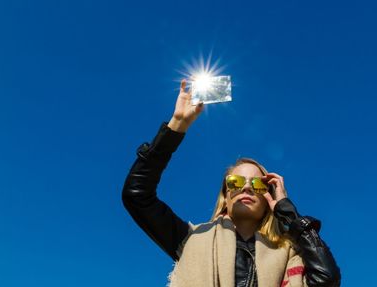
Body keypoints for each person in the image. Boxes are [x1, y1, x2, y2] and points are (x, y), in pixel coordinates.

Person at [122, 79, 341, 287]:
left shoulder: (290, 251)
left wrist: (287, 212)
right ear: (225, 195)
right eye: (235, 182)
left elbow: (326, 280)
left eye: (258, 184)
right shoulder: (189, 239)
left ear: (268, 197)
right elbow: (137, 195)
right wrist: (176, 126)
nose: (246, 187)